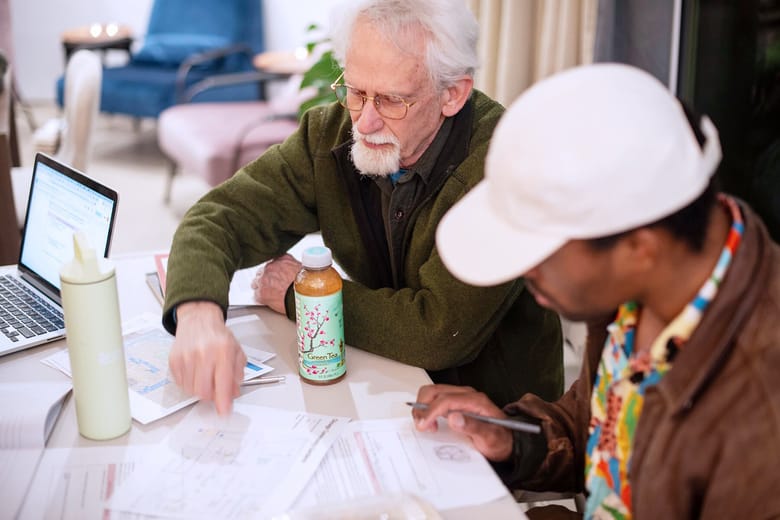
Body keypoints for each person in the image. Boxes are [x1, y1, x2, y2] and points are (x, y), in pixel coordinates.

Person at [413, 63, 780, 519]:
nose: (523, 274)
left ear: (638, 247)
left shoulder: (761, 424)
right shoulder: (640, 291)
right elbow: (604, 431)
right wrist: (511, 437)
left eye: (539, 258)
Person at [162, 0, 564, 416]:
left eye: (392, 100)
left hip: (501, 422)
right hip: (388, 382)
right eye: (356, 91)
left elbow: (439, 331)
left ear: (452, 95)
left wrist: (302, 298)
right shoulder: (330, 133)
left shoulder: (500, 164)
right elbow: (218, 218)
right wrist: (197, 315)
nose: (364, 122)